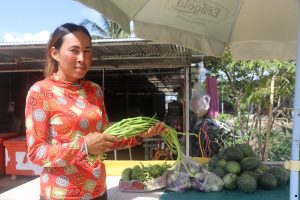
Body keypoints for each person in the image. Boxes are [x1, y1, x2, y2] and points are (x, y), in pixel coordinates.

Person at [25, 23, 166, 200]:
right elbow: (36, 152)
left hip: (98, 191)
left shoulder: (94, 91)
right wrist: (83, 146)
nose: (82, 58)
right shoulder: (41, 92)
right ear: (55, 53)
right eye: (74, 50)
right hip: (61, 195)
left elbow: (106, 138)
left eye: (87, 51)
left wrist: (139, 135)